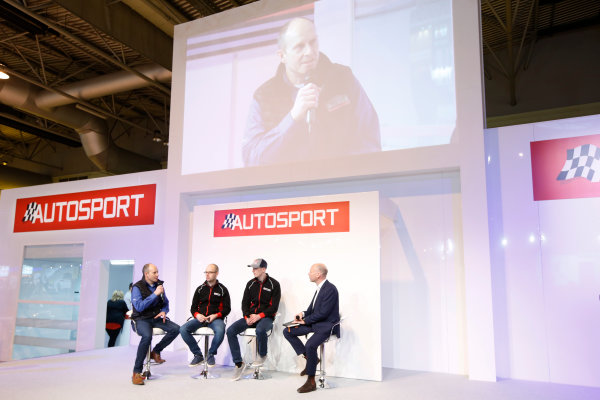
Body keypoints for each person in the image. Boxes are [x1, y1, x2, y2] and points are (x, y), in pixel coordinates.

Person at [242, 17, 380, 166]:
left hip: (342, 184)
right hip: (288, 187)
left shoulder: (343, 78)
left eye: (313, 42)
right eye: (299, 46)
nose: (309, 51)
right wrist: (292, 118)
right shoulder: (264, 96)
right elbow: (252, 158)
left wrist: (342, 172)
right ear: (282, 56)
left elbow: (370, 139)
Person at [282, 263, 339, 393]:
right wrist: (302, 315)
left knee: (310, 345)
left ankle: (311, 381)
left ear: (318, 274)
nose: (308, 273)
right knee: (288, 331)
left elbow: (323, 313)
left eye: (311, 271)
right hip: (316, 323)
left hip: (326, 326)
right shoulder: (320, 288)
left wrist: (305, 321)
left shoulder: (330, 289)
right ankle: (311, 358)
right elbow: (312, 310)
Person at [226, 258, 281, 381]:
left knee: (260, 330)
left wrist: (259, 316)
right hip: (250, 317)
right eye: (252, 268)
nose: (253, 271)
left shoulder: (274, 284)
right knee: (230, 331)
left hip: (265, 318)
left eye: (256, 268)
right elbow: (244, 303)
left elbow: (274, 307)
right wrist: (247, 317)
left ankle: (262, 355)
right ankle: (239, 364)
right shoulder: (250, 283)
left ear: (263, 269)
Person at [130, 263, 180, 385]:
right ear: (146, 274)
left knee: (176, 329)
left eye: (157, 272)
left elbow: (165, 303)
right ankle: (136, 372)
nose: (157, 274)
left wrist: (164, 311)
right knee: (147, 336)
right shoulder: (137, 287)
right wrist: (154, 295)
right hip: (141, 319)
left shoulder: (159, 285)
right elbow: (139, 307)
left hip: (156, 317)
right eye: (154, 272)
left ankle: (156, 351)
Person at [179, 263, 231, 367]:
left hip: (215, 319)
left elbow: (227, 308)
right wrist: (197, 315)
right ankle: (198, 355)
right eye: (206, 272)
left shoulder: (222, 290)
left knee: (221, 330)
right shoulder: (200, 289)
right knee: (183, 329)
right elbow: (193, 308)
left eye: (210, 272)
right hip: (200, 319)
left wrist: (216, 315)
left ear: (216, 273)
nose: (207, 274)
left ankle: (211, 354)